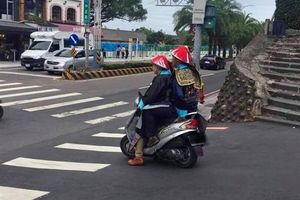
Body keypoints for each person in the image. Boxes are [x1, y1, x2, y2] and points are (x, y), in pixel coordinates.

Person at [128, 55, 176, 166]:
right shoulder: (169, 76)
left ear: (159, 66)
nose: (152, 67)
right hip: (169, 106)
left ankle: (148, 142)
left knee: (144, 118)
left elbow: (151, 95)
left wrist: (142, 103)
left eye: (153, 65)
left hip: (164, 105)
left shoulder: (160, 78)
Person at [170, 45, 205, 118]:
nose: (171, 60)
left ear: (178, 59)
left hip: (180, 108)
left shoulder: (177, 73)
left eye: (173, 58)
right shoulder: (193, 71)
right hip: (193, 106)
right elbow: (200, 85)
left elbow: (178, 95)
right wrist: (201, 98)